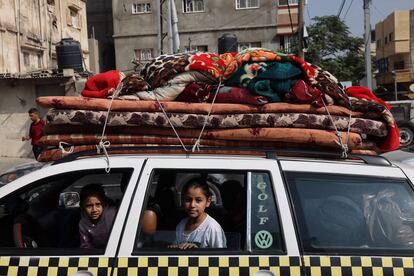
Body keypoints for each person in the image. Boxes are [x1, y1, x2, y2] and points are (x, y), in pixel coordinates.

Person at [171, 178, 226, 250]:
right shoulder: (181, 225)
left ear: (208, 201)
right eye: (188, 200)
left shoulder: (212, 228)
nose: (192, 205)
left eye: (198, 200)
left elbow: (221, 256)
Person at [78, 184, 116, 249]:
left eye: (98, 204)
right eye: (89, 205)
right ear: (82, 206)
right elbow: (86, 245)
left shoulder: (111, 215)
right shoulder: (83, 223)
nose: (94, 210)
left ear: (104, 204)